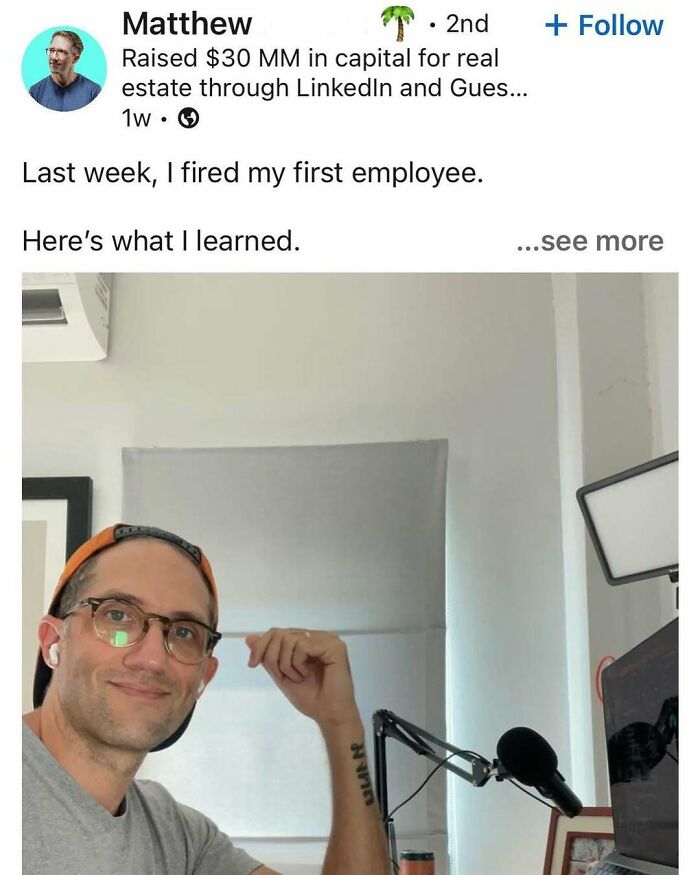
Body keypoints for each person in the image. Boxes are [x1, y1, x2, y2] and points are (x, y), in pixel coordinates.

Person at [23, 523, 390, 874]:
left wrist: (342, 724)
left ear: (204, 677)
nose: (152, 659)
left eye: (184, 632)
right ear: (53, 642)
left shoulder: (178, 839)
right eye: (117, 616)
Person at [29, 30, 101, 111]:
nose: (54, 57)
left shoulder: (93, 92)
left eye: (61, 51)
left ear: (75, 58)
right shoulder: (36, 91)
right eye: (52, 50)